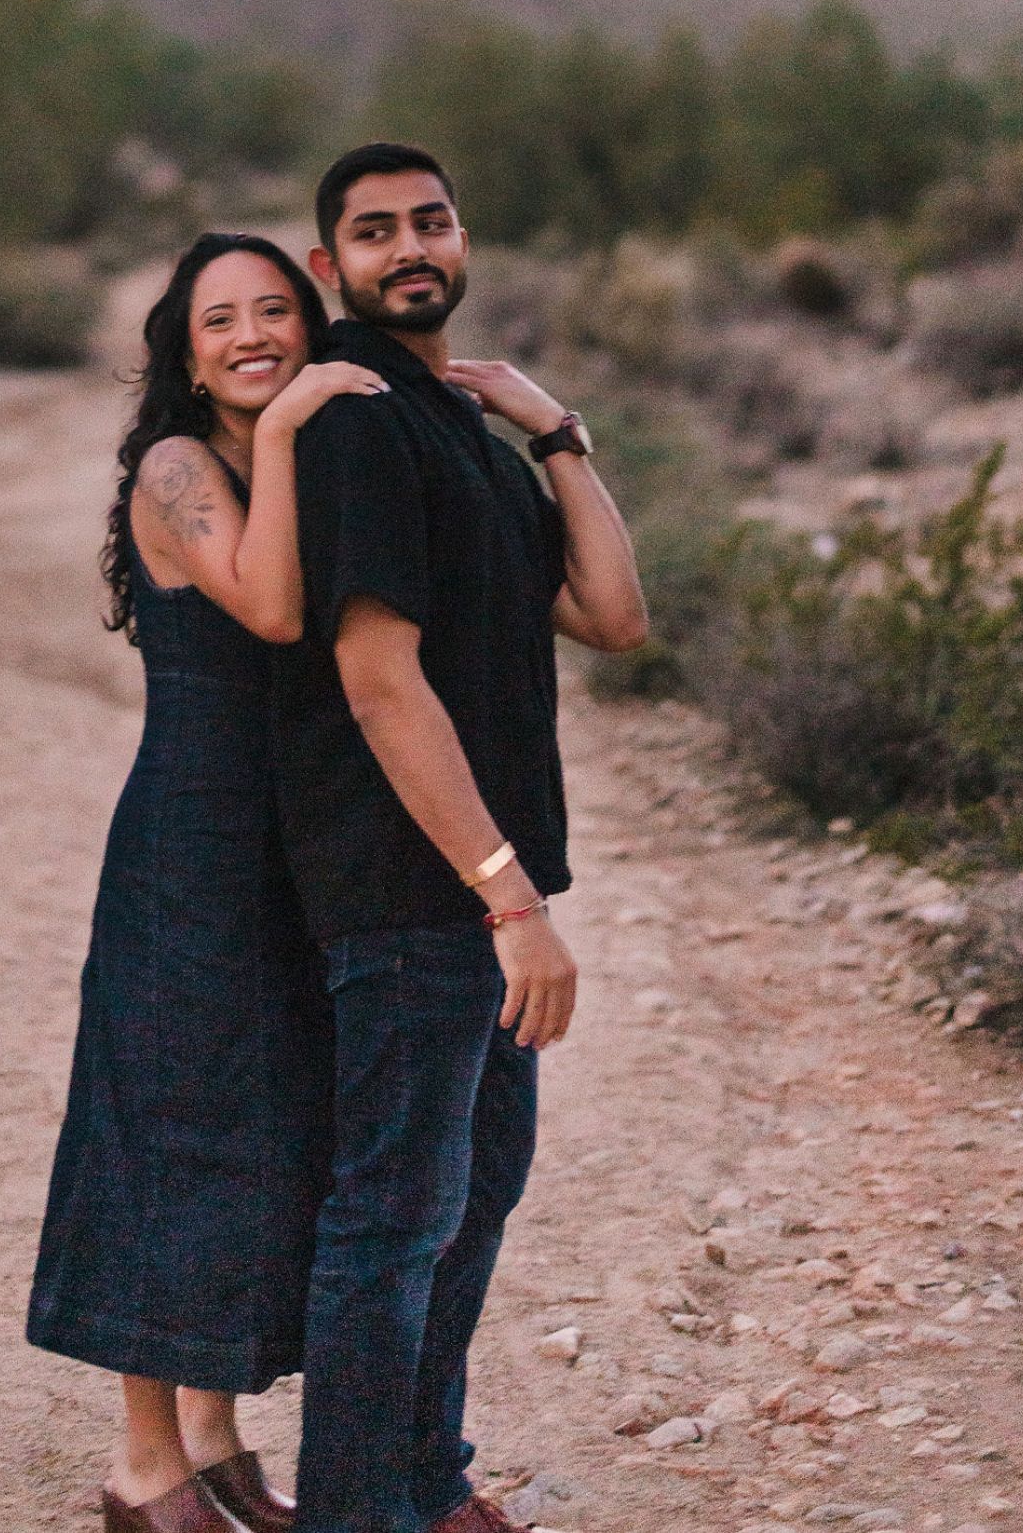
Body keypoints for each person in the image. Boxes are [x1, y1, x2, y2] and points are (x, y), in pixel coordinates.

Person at [273, 145, 649, 1533]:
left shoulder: (468, 437)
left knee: (470, 1197)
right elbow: (379, 676)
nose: (409, 247)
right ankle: (361, 1510)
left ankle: (421, 1485)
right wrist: (507, 899)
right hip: (407, 886)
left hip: (472, 892)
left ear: (464, 235)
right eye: (373, 233)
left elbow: (613, 617)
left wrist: (558, 438)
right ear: (332, 271)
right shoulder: (360, 421)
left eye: (428, 220)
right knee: (393, 1222)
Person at [29, 231, 387, 1533]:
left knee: (260, 1138)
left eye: (278, 311)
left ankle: (218, 1447)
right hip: (190, 846)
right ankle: (144, 1467)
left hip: (287, 849)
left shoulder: (269, 450)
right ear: (185, 353)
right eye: (220, 319)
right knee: (169, 1139)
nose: (252, 335)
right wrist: (291, 425)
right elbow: (273, 608)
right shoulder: (183, 465)